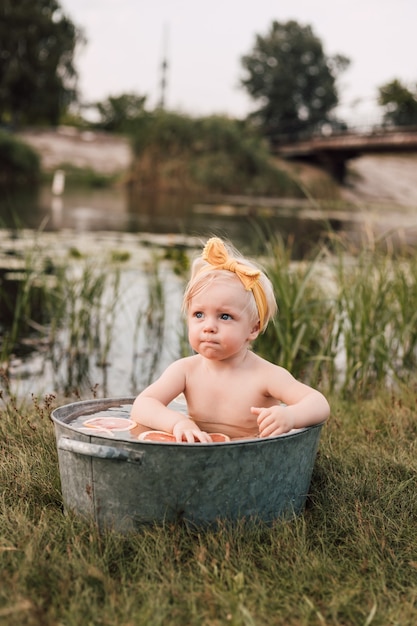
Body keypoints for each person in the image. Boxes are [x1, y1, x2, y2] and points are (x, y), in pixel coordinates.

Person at [131, 236, 330, 442]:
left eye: (225, 316)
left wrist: (290, 415)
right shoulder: (185, 371)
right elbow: (143, 404)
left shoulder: (266, 375)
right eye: (199, 314)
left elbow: (318, 402)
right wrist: (178, 422)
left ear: (253, 329)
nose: (208, 327)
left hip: (251, 456)